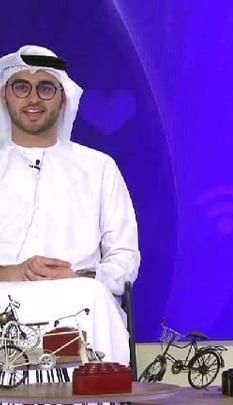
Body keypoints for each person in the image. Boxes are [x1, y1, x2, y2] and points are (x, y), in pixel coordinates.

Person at [0, 45, 140, 366]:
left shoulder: (99, 168)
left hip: (78, 302)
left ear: (63, 98)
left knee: (91, 295)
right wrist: (11, 272)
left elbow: (125, 257)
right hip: (3, 298)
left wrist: (78, 276)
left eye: (45, 88)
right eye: (21, 87)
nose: (33, 99)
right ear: (4, 95)